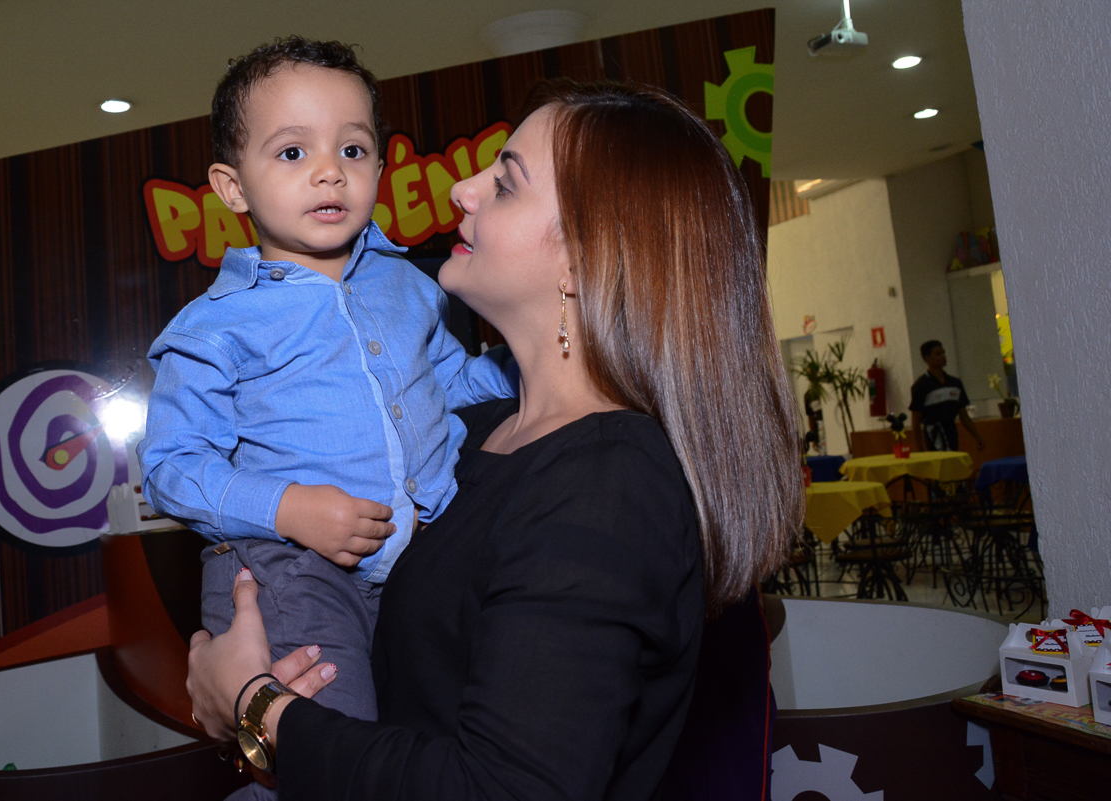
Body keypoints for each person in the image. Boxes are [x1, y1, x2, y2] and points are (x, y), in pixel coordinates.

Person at [188, 80, 802, 800]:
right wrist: (263, 717)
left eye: (506, 185)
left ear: (581, 260)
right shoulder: (465, 435)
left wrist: (258, 707)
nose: (463, 192)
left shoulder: (612, 483)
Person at [137, 36, 516, 737]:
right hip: (286, 568)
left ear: (379, 162)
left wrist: (539, 354)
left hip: (416, 567)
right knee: (328, 745)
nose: (329, 174)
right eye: (291, 152)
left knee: (425, 743)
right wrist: (288, 508)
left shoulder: (411, 287)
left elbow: (455, 383)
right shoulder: (215, 324)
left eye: (352, 150)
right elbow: (169, 468)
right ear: (232, 185)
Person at [909, 340, 985, 452]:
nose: (943, 356)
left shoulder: (955, 383)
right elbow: (916, 420)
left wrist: (977, 436)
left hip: (951, 430)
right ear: (927, 359)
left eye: (943, 353)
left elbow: (963, 415)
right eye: (938, 354)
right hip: (933, 432)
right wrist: (920, 448)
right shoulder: (921, 385)